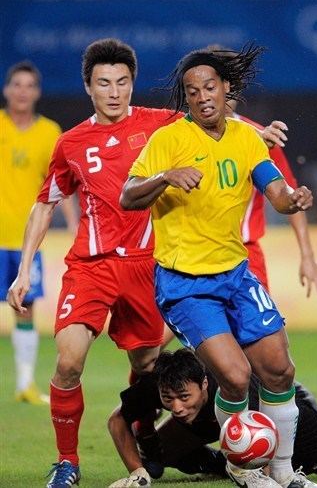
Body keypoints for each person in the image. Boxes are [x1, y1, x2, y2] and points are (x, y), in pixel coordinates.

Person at [120, 44, 317, 488]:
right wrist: (164, 177)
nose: (202, 96)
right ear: (186, 98)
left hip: (236, 274)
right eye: (192, 91)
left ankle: (285, 472)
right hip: (185, 284)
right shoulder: (169, 140)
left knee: (280, 370)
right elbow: (127, 195)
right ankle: (242, 468)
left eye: (210, 86)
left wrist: (294, 200)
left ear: (226, 89)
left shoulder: (247, 138)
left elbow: (277, 192)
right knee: (234, 377)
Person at [6, 38, 190, 488]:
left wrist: (254, 132)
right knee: (69, 361)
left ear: (132, 83)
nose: (114, 92)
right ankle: (67, 462)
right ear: (88, 87)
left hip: (145, 265)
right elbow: (45, 204)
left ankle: (143, 429)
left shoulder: (160, 124)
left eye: (122, 82)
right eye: (104, 83)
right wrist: (25, 267)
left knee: (148, 363)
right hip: (90, 266)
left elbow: (214, 119)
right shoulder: (70, 142)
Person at [107, 349, 317, 487]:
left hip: (282, 412)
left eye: (184, 397)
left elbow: (263, 445)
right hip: (219, 421)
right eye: (168, 400)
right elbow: (117, 420)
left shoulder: (236, 392)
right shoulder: (160, 384)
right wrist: (137, 470)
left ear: (204, 384)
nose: (176, 407)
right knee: (160, 452)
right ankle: (220, 464)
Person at [0, 61, 78, 406]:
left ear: (37, 92)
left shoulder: (50, 132)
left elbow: (59, 185)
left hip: (27, 239)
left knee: (25, 308)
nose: (22, 91)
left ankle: (25, 384)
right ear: (6, 90)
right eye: (16, 84)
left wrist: (76, 225)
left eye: (29, 85)